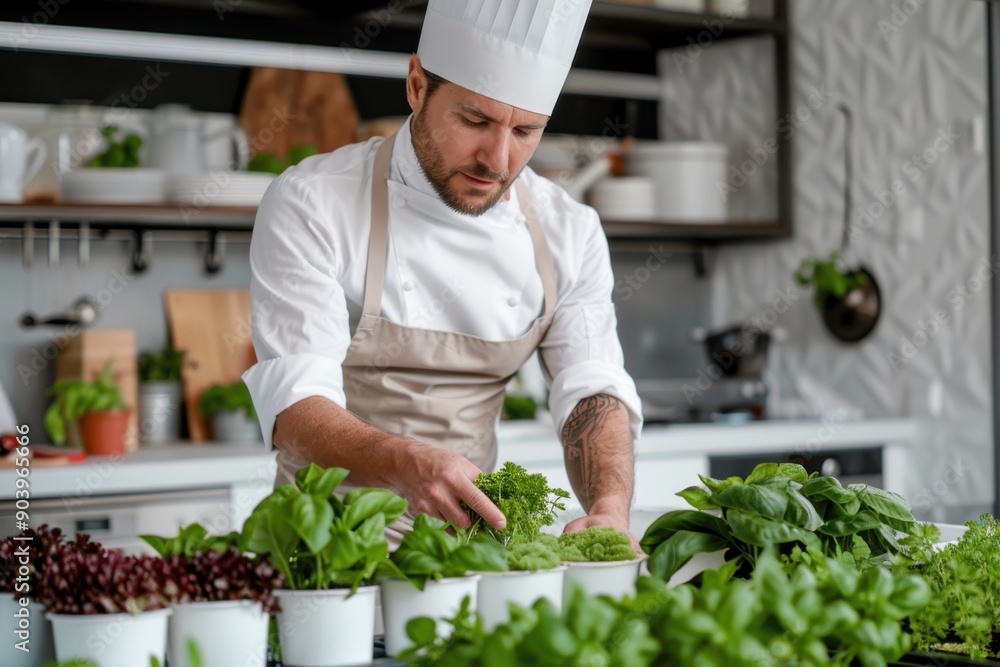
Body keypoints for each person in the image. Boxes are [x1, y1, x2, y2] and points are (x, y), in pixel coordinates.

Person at [242, 0, 643, 545]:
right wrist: (408, 464)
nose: (497, 161)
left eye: (526, 131)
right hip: (321, 556)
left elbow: (592, 388)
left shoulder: (568, 230)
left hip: (467, 559)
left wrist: (609, 508)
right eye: (474, 120)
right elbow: (295, 407)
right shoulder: (314, 202)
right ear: (416, 86)